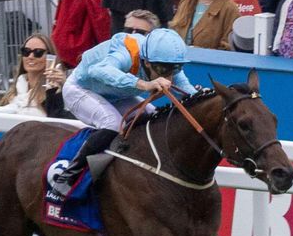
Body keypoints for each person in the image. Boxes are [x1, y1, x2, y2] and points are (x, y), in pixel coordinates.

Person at [51, 28, 197, 194]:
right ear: (147, 62)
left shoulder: (164, 61)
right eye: (164, 70)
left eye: (176, 69)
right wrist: (145, 84)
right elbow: (97, 70)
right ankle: (67, 177)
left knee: (153, 116)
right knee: (112, 123)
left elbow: (188, 91)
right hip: (80, 89)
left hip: (115, 95)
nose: (170, 75)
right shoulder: (127, 52)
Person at [0, 34, 60, 118]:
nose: (30, 56)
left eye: (38, 52)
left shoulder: (54, 90)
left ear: (50, 57)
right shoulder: (16, 88)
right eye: (26, 51)